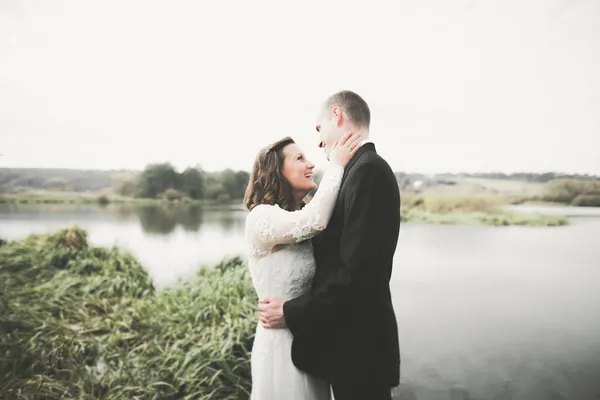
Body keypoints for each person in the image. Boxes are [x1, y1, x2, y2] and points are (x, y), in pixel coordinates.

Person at [258, 90, 401, 400]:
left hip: (362, 351)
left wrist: (293, 311)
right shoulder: (354, 172)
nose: (319, 143)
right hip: (345, 347)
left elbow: (357, 275)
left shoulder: (369, 171)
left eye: (319, 130)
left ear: (337, 116)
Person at [244, 131, 363, 399]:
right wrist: (337, 165)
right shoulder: (261, 218)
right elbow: (316, 220)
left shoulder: (300, 216)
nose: (311, 164)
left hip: (311, 341)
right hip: (280, 343)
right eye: (300, 158)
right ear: (277, 171)